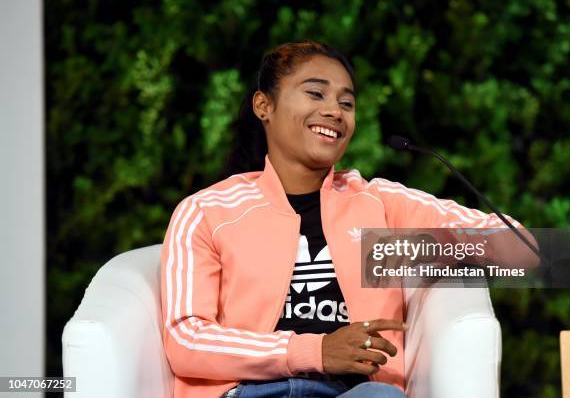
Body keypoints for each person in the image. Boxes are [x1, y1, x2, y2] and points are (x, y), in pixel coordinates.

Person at [160, 41, 538, 398]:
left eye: (347, 102)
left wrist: (421, 248)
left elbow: (522, 250)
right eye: (315, 93)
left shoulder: (379, 202)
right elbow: (186, 338)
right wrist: (315, 350)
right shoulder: (208, 211)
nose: (334, 111)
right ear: (264, 105)